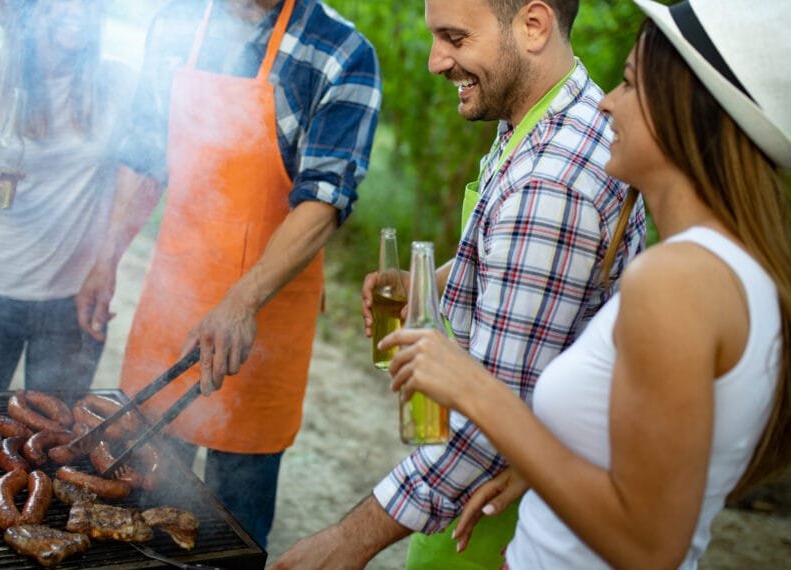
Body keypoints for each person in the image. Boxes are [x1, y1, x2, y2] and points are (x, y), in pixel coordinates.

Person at [379, 0, 791, 567]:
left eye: (627, 84)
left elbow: (650, 548)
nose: (605, 103)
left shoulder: (676, 282)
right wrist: (537, 469)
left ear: (687, 112)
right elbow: (630, 457)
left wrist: (473, 390)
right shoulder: (727, 269)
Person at [273, 0, 646, 568]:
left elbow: (492, 426)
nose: (434, 61)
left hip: (495, 525)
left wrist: (348, 542)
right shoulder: (540, 120)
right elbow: (511, 266)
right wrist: (430, 282)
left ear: (533, 25)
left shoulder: (550, 185)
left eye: (454, 37)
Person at [74, 0, 381, 548]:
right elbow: (144, 156)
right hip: (174, 300)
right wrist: (104, 259)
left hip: (265, 318)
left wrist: (241, 302)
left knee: (227, 526)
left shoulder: (342, 52)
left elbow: (325, 200)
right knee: (138, 499)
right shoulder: (175, 21)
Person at [0, 0, 134, 394]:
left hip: (73, 303)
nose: (79, 10)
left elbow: (140, 179)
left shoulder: (119, 81)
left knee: (58, 442)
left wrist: (107, 265)